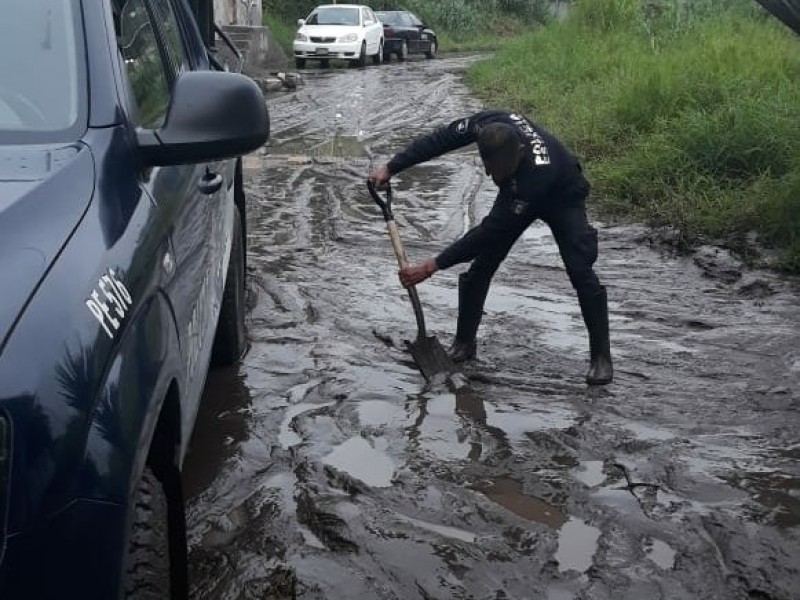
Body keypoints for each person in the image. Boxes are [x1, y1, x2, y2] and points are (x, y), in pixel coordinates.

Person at [369, 109, 613, 385]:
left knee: (580, 270)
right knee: (481, 269)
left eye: (500, 171)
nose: (492, 176)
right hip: (517, 189)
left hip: (562, 194)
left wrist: (432, 266)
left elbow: (488, 232)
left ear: (520, 152)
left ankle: (601, 359)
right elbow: (441, 139)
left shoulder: (533, 178)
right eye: (489, 169)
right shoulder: (486, 125)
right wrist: (392, 167)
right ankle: (464, 344)